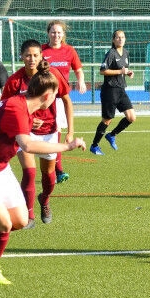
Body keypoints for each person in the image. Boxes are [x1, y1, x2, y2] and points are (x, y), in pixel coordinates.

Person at [0, 61, 86, 284]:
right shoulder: (16, 108)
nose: (56, 100)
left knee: (20, 221)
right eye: (55, 96)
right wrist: (67, 146)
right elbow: (27, 145)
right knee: (4, 225)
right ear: (47, 95)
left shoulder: (24, 105)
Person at [1, 39, 75, 228]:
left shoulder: (53, 75)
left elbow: (67, 100)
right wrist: (25, 120)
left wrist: (70, 131)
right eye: (28, 55)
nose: (32, 59)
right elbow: (4, 107)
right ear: (21, 57)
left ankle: (45, 200)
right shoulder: (15, 81)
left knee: (49, 175)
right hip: (24, 133)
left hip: (49, 132)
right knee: (29, 172)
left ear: (41, 56)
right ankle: (29, 215)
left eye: (35, 55)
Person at [42, 20, 87, 183]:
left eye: (59, 32)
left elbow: (78, 69)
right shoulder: (41, 50)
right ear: (48, 33)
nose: (56, 35)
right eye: (53, 32)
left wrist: (81, 81)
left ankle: (57, 170)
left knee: (56, 131)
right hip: (43, 98)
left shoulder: (69, 51)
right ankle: (52, 169)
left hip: (60, 99)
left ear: (63, 34)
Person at [89, 29, 136, 155]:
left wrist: (128, 72)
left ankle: (112, 135)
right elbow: (102, 71)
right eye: (118, 37)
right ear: (113, 40)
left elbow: (124, 69)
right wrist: (120, 72)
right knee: (107, 120)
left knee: (131, 117)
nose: (121, 39)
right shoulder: (111, 53)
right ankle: (94, 146)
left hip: (121, 90)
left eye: (123, 37)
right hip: (110, 91)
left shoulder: (126, 53)